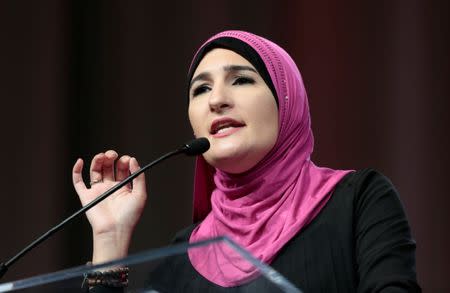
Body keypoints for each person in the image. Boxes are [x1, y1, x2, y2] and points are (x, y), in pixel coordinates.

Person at [73, 30, 421, 292]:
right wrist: (109, 239)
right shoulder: (185, 252)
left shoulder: (359, 200)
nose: (217, 100)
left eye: (241, 80)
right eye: (201, 89)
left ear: (287, 100)